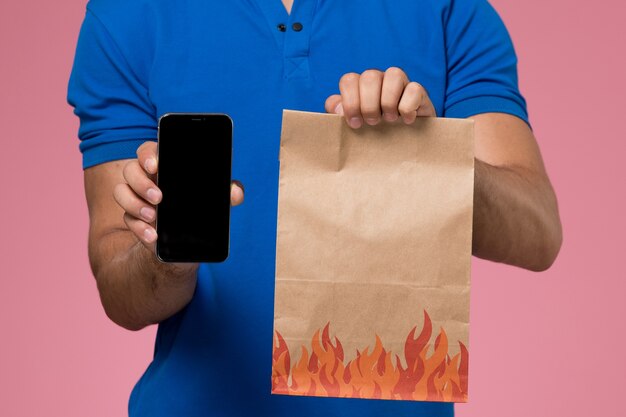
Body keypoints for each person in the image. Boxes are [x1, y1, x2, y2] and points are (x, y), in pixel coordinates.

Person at [67, 0, 562, 415]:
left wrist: (430, 157)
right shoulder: (127, 13)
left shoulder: (447, 7)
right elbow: (120, 292)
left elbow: (537, 231)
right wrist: (168, 249)